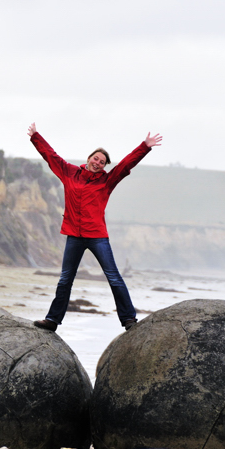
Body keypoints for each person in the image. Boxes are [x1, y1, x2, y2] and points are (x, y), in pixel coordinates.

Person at [28, 123, 162, 332]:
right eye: (95, 158)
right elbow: (51, 156)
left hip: (97, 236)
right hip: (74, 235)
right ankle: (52, 320)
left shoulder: (107, 181)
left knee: (113, 277)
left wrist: (144, 146)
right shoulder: (69, 173)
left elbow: (126, 164)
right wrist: (36, 137)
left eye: (102, 162)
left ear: (104, 166)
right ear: (89, 158)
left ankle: (128, 319)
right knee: (65, 280)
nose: (98, 163)